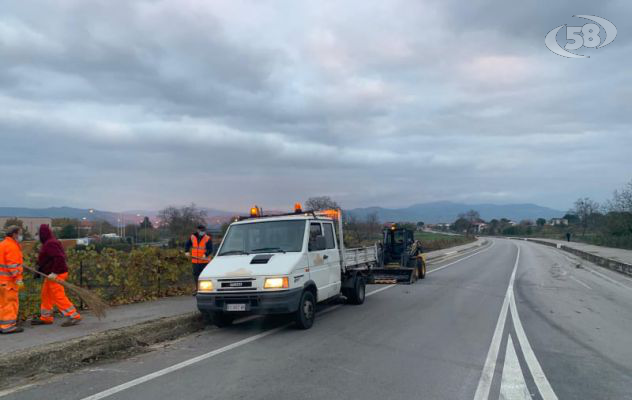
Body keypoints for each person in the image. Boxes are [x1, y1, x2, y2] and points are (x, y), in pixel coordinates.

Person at [31, 224, 81, 327]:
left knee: (58, 295)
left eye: (38, 234)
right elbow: (48, 260)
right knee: (46, 294)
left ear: (42, 234)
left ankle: (73, 316)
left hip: (57, 273)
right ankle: (46, 317)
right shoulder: (50, 242)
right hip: (51, 274)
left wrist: (55, 272)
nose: (37, 237)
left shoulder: (50, 244)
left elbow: (60, 258)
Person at [0, 226, 24, 334]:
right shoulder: (12, 246)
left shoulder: (2, 244)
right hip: (10, 282)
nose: (20, 236)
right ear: (14, 234)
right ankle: (8, 326)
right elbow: (13, 268)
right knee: (11, 304)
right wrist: (20, 282)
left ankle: (2, 325)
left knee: (2, 305)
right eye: (19, 233)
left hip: (1, 281)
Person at [185, 225, 213, 290]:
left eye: (203, 231)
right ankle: (197, 289)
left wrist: (206, 254)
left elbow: (210, 249)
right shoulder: (192, 237)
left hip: (204, 261)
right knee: (196, 276)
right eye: (201, 231)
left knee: (204, 276)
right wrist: (186, 251)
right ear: (198, 230)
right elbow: (187, 244)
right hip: (195, 261)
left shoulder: (207, 238)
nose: (202, 232)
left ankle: (205, 289)